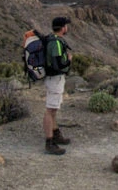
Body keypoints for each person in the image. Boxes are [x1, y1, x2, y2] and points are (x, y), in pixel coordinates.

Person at [43, 16, 72, 155]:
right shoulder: (56, 43)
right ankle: (49, 142)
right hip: (55, 79)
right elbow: (56, 64)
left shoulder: (53, 40)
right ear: (62, 27)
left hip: (55, 78)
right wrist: (68, 61)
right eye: (66, 25)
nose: (67, 28)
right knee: (50, 110)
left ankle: (55, 134)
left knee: (53, 109)